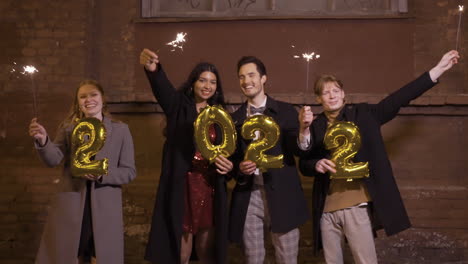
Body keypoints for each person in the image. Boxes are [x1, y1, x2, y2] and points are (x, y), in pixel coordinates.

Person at [297, 50, 460, 263]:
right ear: (318, 98)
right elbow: (304, 160)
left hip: (356, 207)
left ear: (343, 94)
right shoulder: (315, 126)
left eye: (336, 90)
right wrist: (306, 135)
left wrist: (437, 70)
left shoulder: (363, 115)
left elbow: (398, 99)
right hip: (326, 211)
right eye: (326, 92)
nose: (332, 95)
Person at [140, 49, 234, 264]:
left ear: (217, 87)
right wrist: (153, 69)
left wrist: (229, 166)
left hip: (209, 186)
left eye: (212, 82)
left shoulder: (221, 116)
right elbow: (163, 90)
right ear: (193, 83)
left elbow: (230, 152)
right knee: (181, 251)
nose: (207, 85)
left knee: (206, 248)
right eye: (202, 80)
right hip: (183, 185)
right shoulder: (178, 107)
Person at [29, 80, 136, 264]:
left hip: (105, 207)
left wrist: (102, 174)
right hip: (71, 202)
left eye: (93, 94)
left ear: (103, 99)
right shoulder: (68, 128)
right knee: (70, 255)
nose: (88, 99)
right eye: (83, 96)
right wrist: (43, 141)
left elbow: (129, 172)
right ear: (77, 102)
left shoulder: (120, 130)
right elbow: (53, 159)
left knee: (100, 256)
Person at [229, 56, 309, 264]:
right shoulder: (235, 119)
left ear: (263, 78)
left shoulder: (285, 111)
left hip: (283, 193)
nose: (246, 81)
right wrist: (240, 167)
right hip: (250, 194)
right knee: (253, 257)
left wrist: (304, 129)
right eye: (241, 77)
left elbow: (298, 149)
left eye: (251, 75)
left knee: (287, 257)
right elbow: (233, 160)